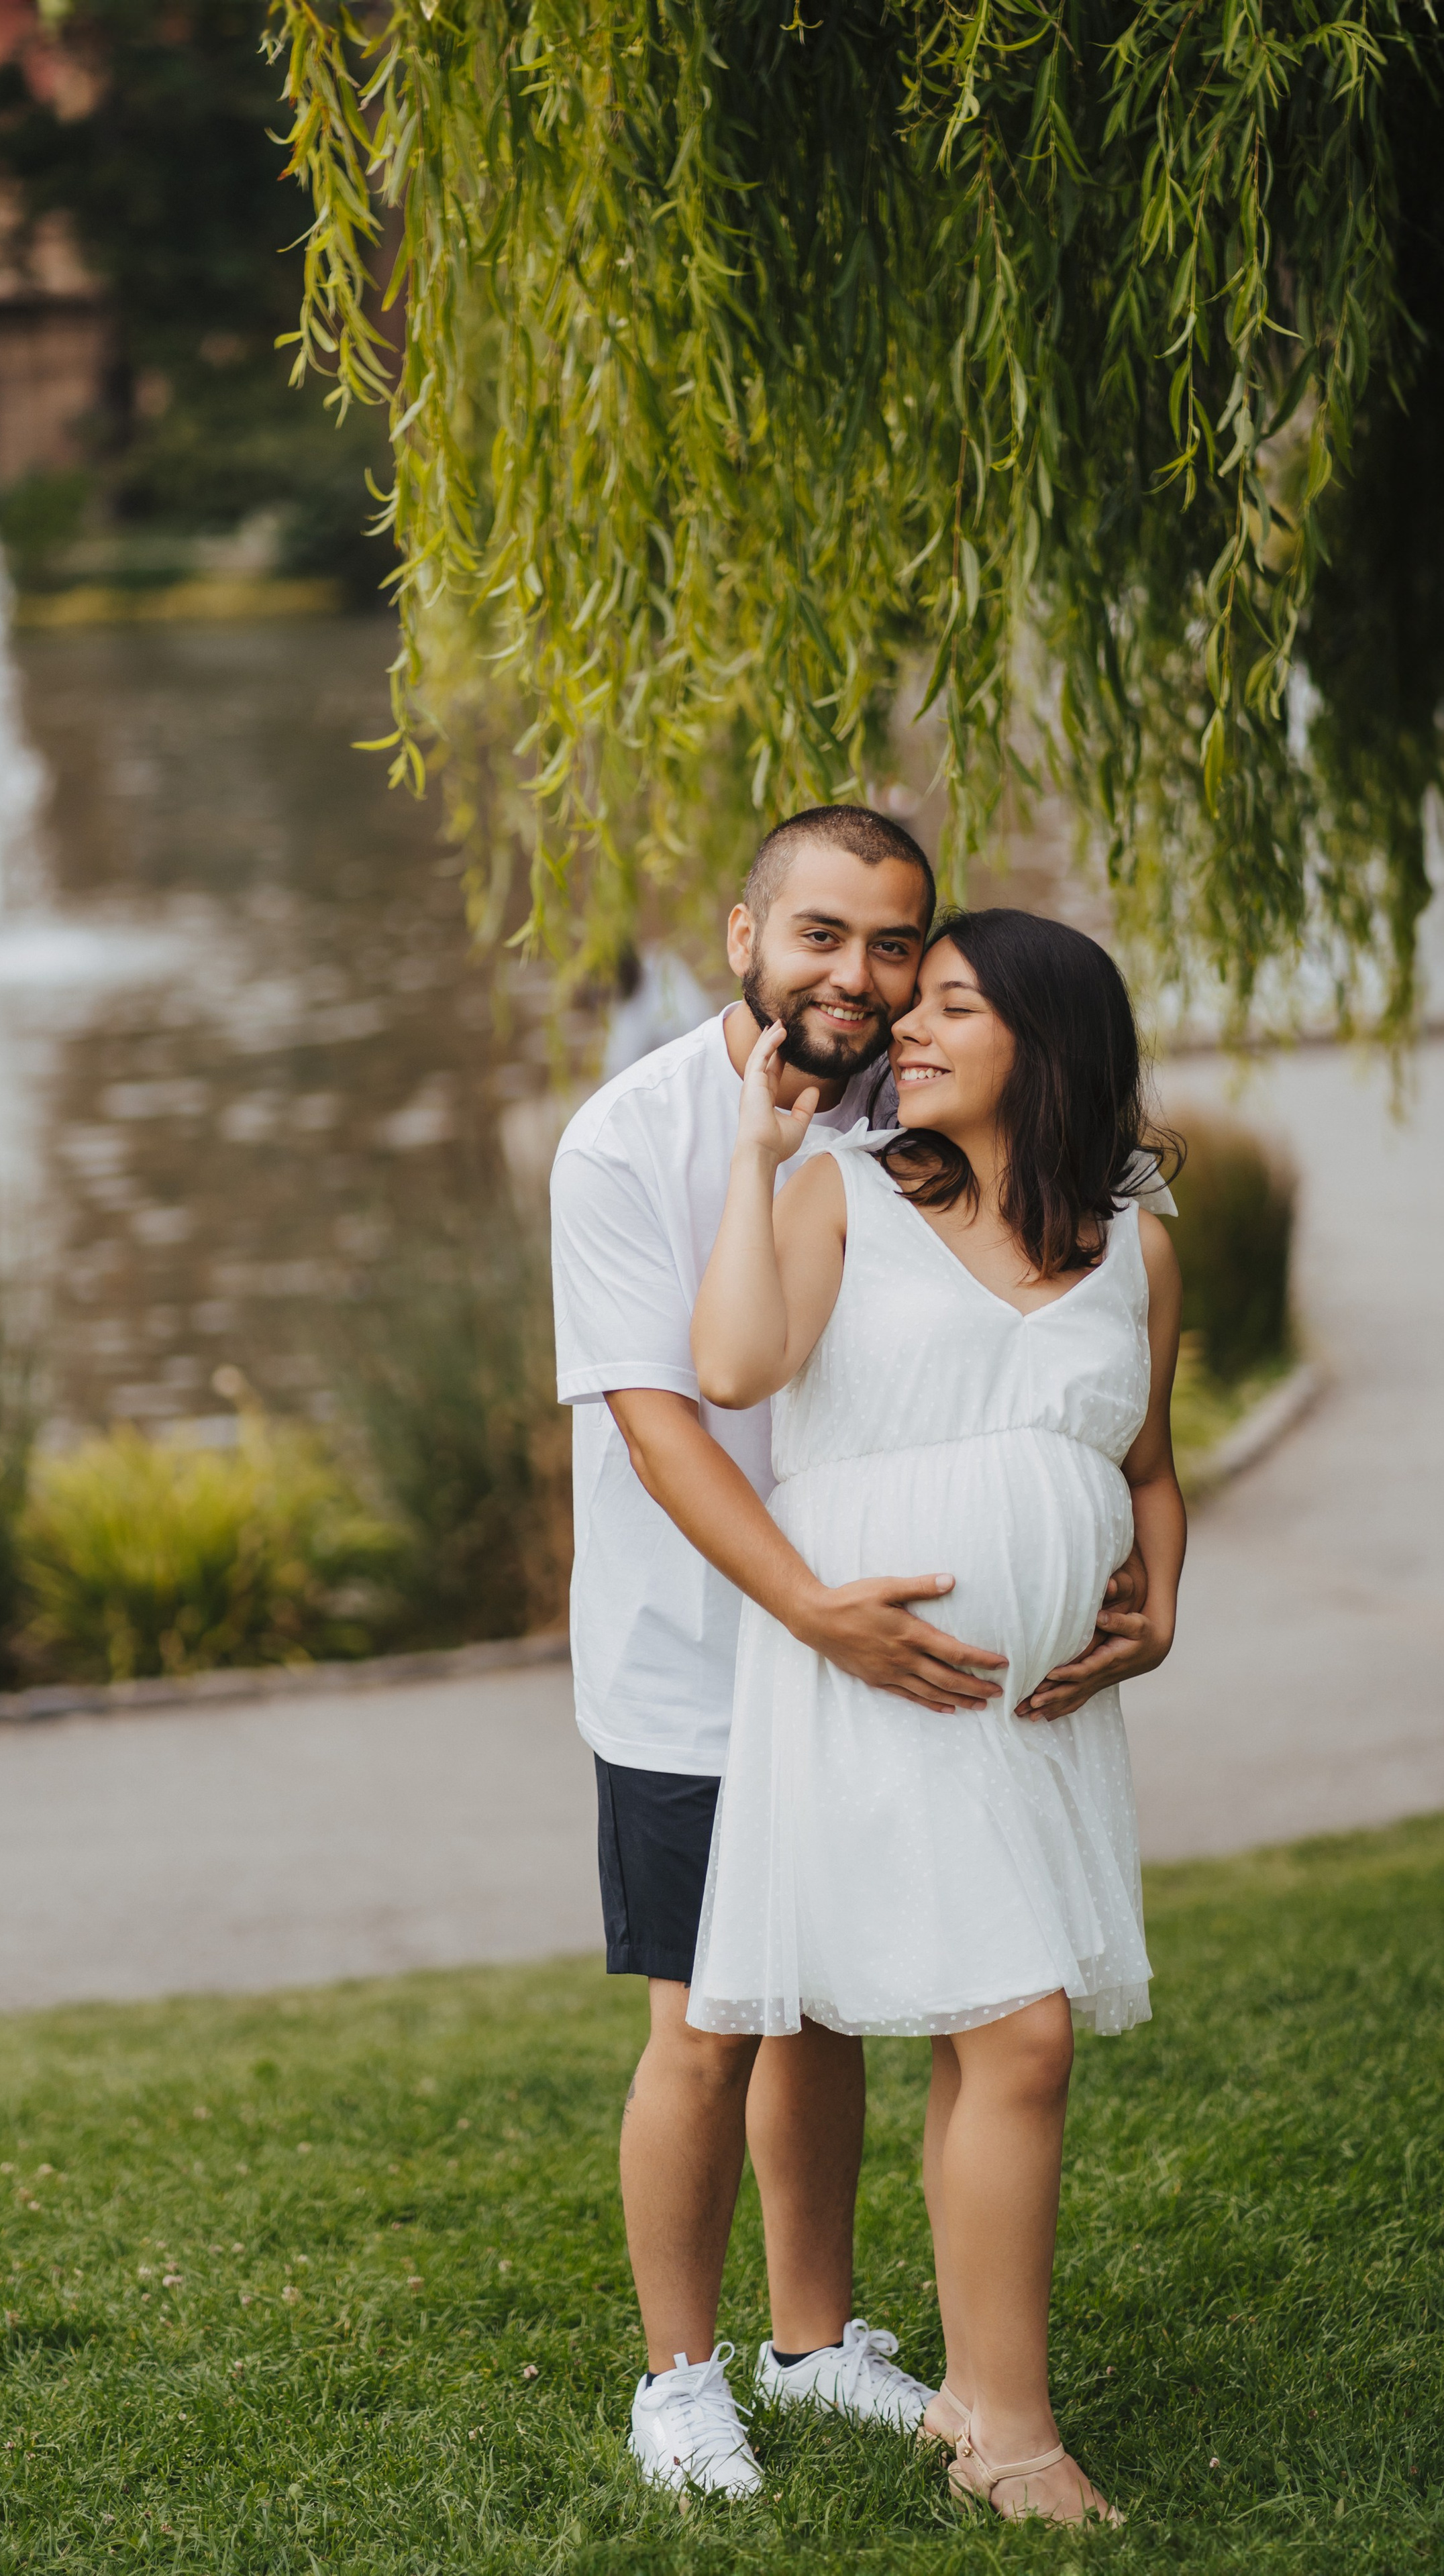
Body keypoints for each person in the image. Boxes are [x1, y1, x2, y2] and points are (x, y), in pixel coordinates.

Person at [550, 815, 1151, 2497]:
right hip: (698, 1652)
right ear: (745, 933)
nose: (861, 978)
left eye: (895, 947)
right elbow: (667, 1425)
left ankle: (810, 2342)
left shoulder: (919, 1111)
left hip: (889, 1662)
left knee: (821, 2009)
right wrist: (808, 1609)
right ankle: (677, 2376)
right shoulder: (628, 1141)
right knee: (706, 2017)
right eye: (823, 937)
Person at [687, 907, 1186, 2526]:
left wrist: (1157, 1602)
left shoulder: (1135, 1244)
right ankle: (1013, 2443)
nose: (905, 1026)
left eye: (949, 1006)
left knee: (1002, 2040)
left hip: (1033, 1711)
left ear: (1044, 1046)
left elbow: (1147, 1463)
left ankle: (978, 2393)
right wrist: (761, 1161)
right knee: (1019, 2028)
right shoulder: (838, 1193)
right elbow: (733, 1366)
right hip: (878, 1672)